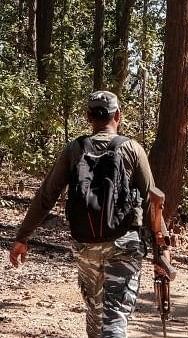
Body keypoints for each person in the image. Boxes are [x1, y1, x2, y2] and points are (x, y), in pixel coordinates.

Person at [9, 91, 164, 338]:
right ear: (118, 116)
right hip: (124, 244)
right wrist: (160, 252)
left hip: (86, 244)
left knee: (95, 313)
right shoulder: (133, 149)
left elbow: (46, 196)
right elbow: (151, 200)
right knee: (114, 315)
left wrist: (22, 237)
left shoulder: (74, 149)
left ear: (88, 117)